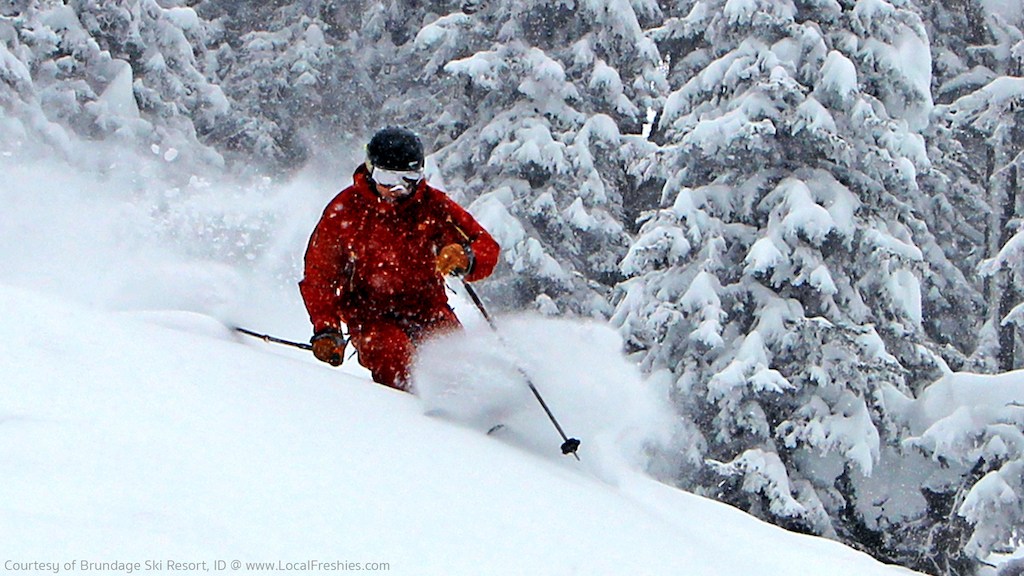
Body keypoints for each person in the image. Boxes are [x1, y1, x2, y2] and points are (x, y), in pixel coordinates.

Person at [299, 127, 500, 391]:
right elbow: (319, 276)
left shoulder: (432, 206)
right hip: (370, 316)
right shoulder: (346, 210)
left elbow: (485, 246)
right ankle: (415, 418)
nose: (397, 189)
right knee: (393, 355)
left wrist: (466, 256)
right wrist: (327, 329)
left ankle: (478, 417)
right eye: (387, 177)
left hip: (427, 308)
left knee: (456, 358)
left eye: (407, 178)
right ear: (370, 170)